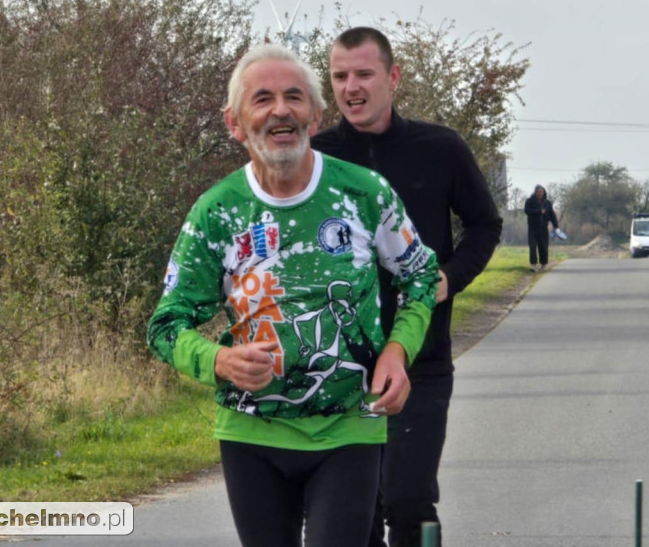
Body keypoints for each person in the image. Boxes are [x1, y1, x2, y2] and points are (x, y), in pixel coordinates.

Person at [147, 43, 440, 547]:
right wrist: (219, 361)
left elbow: (420, 278)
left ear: (316, 115)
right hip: (250, 434)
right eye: (262, 99)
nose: (280, 110)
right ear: (235, 123)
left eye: (294, 97)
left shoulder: (365, 193)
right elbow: (165, 326)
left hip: (350, 425)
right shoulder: (216, 213)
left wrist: (397, 351)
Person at [311, 27, 503, 547]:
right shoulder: (316, 159)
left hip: (422, 356)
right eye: (340, 76)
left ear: (393, 78)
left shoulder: (439, 148)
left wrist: (448, 278)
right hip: (339, 364)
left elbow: (485, 225)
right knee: (358, 508)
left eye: (364, 74)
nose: (351, 87)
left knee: (408, 497)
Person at [524, 185, 558, 272]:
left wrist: (555, 225)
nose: (540, 194)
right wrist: (539, 211)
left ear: (543, 193)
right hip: (532, 227)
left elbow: (552, 215)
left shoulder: (547, 203)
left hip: (543, 227)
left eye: (541, 192)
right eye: (538, 192)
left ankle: (543, 265)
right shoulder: (529, 201)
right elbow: (527, 211)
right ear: (535, 192)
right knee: (532, 246)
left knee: (543, 246)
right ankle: (533, 265)